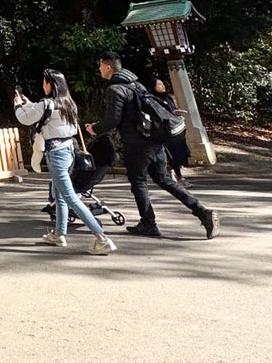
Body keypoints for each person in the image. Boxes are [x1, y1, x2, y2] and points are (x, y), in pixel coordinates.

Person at [87, 52, 218, 239]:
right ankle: (202, 212)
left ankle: (149, 223)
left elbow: (113, 119)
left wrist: (94, 128)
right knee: (165, 180)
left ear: (107, 66)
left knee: (139, 182)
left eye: (100, 65)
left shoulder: (115, 89)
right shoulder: (136, 85)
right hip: (155, 141)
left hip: (136, 144)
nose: (99, 69)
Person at [14, 69, 118, 255]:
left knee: (70, 197)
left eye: (45, 82)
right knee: (60, 194)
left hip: (56, 154)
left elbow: (25, 118)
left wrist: (17, 106)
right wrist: (28, 104)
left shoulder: (46, 104)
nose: (43, 85)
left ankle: (102, 238)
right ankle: (58, 234)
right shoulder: (69, 104)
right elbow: (41, 112)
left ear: (51, 85)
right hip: (70, 150)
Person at [150, 76, 191, 184]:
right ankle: (176, 175)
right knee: (169, 153)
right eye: (159, 84)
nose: (162, 86)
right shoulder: (152, 99)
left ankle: (176, 172)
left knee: (178, 151)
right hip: (163, 130)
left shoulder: (168, 98)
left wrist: (176, 112)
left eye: (162, 83)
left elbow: (170, 111)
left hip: (175, 130)